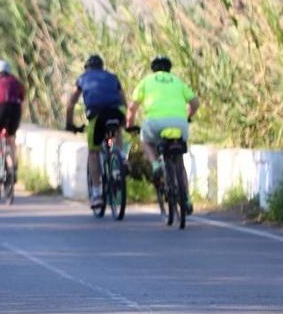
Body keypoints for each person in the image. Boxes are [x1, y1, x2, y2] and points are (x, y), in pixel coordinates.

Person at [125, 55, 200, 213]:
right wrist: (188, 116)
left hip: (155, 123)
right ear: (169, 68)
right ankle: (185, 198)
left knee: (145, 139)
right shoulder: (177, 81)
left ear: (153, 69)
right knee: (179, 163)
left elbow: (132, 108)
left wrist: (129, 125)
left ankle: (156, 164)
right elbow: (195, 102)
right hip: (180, 124)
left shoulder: (146, 81)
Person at [64, 54, 127, 208]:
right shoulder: (112, 77)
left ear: (87, 68)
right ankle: (120, 159)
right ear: (102, 67)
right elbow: (123, 99)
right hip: (115, 112)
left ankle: (97, 194)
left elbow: (71, 103)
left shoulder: (82, 78)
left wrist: (69, 124)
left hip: (97, 115)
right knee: (117, 129)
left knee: (93, 153)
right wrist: (125, 122)